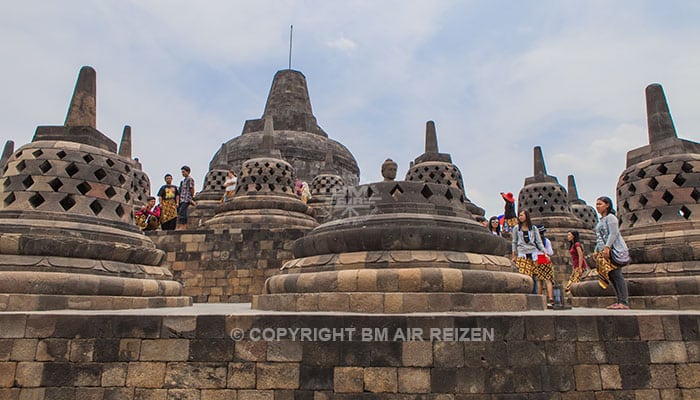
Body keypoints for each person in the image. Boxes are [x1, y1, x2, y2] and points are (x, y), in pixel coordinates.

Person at [594, 196, 630, 309]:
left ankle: (624, 302)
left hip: (614, 249)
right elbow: (600, 237)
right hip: (605, 250)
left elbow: (613, 234)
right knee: (612, 276)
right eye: (596, 204)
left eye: (600, 204)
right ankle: (619, 300)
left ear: (607, 205)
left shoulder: (611, 218)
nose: (597, 206)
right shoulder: (601, 220)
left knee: (617, 275)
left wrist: (607, 247)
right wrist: (596, 250)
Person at [511, 210, 544, 295]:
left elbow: (538, 241)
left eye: (522, 215)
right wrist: (514, 255)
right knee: (524, 274)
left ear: (526, 216)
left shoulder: (533, 228)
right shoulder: (516, 228)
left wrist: (544, 251)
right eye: (519, 215)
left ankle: (534, 293)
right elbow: (514, 242)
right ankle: (525, 293)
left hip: (533, 253)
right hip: (522, 252)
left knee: (534, 275)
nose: (520, 217)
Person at [534, 225, 555, 304]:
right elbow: (551, 252)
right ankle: (550, 298)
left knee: (539, 280)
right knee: (548, 280)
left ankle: (540, 298)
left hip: (538, 259)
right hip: (546, 259)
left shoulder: (534, 241)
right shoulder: (546, 241)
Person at [176, 165, 196, 231]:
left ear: (188, 172)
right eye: (182, 172)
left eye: (184, 172)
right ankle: (181, 226)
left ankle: (183, 227)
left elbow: (191, 188)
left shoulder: (190, 179)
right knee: (181, 212)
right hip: (182, 198)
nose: (183, 173)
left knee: (183, 212)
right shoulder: (183, 181)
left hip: (186, 198)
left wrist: (192, 197)